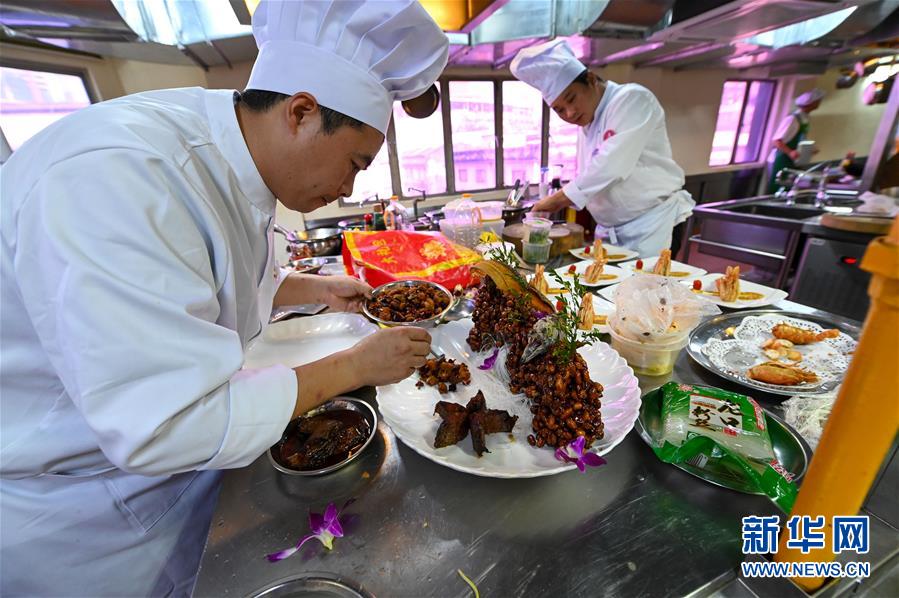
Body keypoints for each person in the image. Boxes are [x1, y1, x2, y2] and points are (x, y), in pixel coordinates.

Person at [0, 1, 447, 595]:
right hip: (86, 515)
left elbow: (203, 276)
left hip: (167, 479)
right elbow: (166, 421)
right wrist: (354, 366)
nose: (348, 188)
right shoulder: (119, 175)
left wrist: (313, 288)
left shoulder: (220, 155)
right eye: (354, 163)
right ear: (302, 112)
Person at [511, 39, 694, 258]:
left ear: (590, 79)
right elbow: (591, 176)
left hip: (652, 225)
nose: (570, 113)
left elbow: (610, 166)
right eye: (559, 110)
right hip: (609, 232)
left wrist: (556, 200)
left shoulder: (632, 99)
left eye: (571, 99)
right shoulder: (587, 123)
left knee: (647, 280)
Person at [767, 88, 825, 193]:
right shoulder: (792, 119)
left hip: (791, 161)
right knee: (777, 189)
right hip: (780, 159)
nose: (819, 103)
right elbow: (777, 141)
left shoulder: (805, 119)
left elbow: (801, 138)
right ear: (811, 103)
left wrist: (810, 149)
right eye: (818, 101)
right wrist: (790, 152)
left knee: (788, 189)